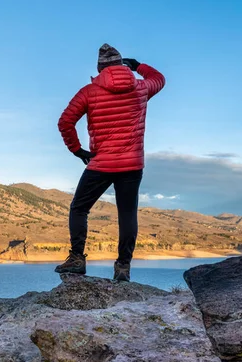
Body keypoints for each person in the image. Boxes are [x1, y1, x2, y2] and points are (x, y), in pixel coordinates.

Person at [55, 44, 165, 281]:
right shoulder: (141, 88)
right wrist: (138, 66)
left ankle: (76, 259)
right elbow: (159, 78)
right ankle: (123, 267)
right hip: (133, 165)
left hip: (101, 164)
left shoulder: (88, 92)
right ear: (122, 65)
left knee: (79, 208)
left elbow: (65, 122)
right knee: (127, 215)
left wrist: (77, 150)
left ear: (99, 68)